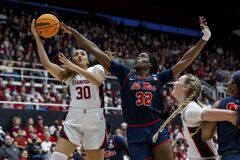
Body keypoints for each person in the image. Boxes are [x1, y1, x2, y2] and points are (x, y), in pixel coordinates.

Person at [60, 16, 211, 160]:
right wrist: (74, 32)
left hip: (156, 127)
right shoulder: (125, 74)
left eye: (143, 57)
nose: (138, 58)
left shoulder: (158, 78)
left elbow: (184, 61)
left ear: (150, 64)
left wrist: (204, 38)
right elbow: (95, 50)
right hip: (134, 131)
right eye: (138, 56)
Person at [31, 19, 106, 160]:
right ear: (72, 59)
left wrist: (74, 67)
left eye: (82, 54)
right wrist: (37, 37)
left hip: (95, 119)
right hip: (74, 117)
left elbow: (97, 81)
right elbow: (46, 63)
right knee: (57, 156)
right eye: (76, 54)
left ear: (88, 60)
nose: (79, 55)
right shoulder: (69, 76)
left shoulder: (96, 68)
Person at [156, 74, 239, 159]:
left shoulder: (190, 109)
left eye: (178, 80)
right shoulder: (187, 109)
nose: (174, 82)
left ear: (185, 87)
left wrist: (231, 116)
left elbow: (208, 113)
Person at [201, 70, 240, 160]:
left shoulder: (220, 104)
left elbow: (206, 135)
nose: (228, 82)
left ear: (234, 86)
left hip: (230, 155)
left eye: (230, 80)